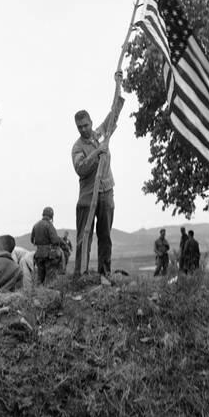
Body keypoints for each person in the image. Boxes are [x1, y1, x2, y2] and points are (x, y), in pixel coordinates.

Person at [71, 71, 125, 277]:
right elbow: (81, 168)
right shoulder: (77, 148)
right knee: (84, 238)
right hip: (86, 198)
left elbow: (112, 118)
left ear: (91, 122)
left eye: (86, 125)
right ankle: (81, 274)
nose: (84, 129)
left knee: (105, 236)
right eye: (80, 127)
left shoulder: (98, 135)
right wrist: (96, 152)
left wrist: (118, 87)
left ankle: (105, 273)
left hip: (106, 192)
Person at [31, 206, 63, 285]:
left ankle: (38, 294)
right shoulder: (49, 225)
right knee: (50, 278)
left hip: (38, 254)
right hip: (49, 255)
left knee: (40, 277)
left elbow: (32, 240)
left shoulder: (35, 225)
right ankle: (48, 294)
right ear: (51, 215)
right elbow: (55, 240)